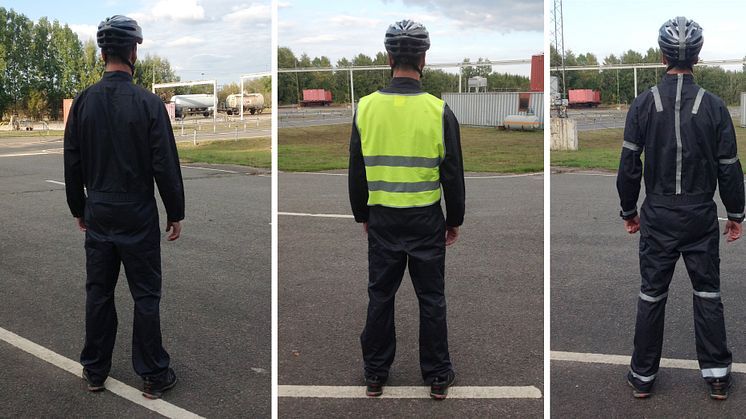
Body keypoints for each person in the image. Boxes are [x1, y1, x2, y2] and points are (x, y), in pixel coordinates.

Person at [617, 16, 744, 400]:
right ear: (698, 57)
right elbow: (729, 168)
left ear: (661, 56)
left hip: (657, 215)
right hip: (700, 215)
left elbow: (629, 168)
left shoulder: (642, 105)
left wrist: (629, 211)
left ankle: (642, 377)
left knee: (652, 295)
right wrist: (736, 214)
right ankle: (717, 376)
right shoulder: (715, 106)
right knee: (707, 294)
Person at [64, 15, 185, 400]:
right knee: (145, 295)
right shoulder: (149, 104)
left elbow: (72, 162)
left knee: (99, 292)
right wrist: (175, 210)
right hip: (137, 211)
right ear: (133, 52)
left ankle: (95, 369)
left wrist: (78, 207)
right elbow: (165, 162)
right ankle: (152, 374)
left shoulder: (82, 102)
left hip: (99, 209)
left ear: (102, 53)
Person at [348, 19, 466, 400]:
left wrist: (362, 215)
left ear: (388, 58)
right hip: (425, 218)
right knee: (431, 298)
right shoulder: (438, 110)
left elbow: (356, 170)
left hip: (383, 218)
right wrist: (454, 219)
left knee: (381, 296)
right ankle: (436, 375)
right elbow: (453, 173)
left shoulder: (365, 108)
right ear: (424, 58)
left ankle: (375, 375)